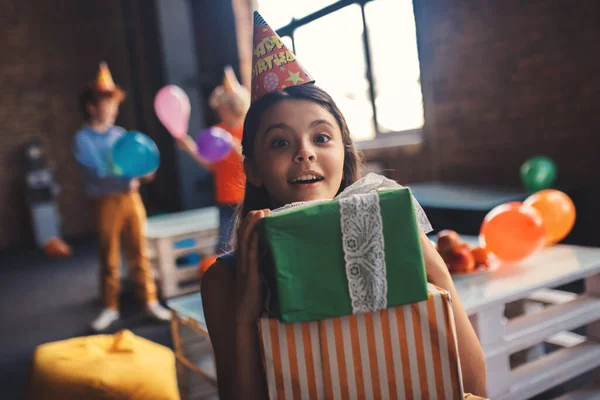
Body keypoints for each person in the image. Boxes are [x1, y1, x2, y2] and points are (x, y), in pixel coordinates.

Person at [202, 12, 487, 399]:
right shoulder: (226, 280)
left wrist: (433, 265)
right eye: (280, 143)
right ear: (252, 167)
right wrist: (248, 312)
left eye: (321, 138)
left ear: (344, 152)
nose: (305, 153)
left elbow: (472, 387)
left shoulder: (388, 239)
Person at [73, 62, 171, 332]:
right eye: (109, 103)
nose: (115, 108)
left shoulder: (119, 134)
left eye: (116, 103)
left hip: (131, 199)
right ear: (92, 107)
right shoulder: (83, 139)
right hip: (106, 202)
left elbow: (135, 161)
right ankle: (110, 306)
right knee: (109, 254)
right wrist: (128, 178)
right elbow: (96, 172)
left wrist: (145, 172)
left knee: (139, 250)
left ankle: (149, 301)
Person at [177, 66, 250, 255]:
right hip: (225, 198)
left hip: (247, 198)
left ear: (235, 106)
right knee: (225, 245)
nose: (220, 113)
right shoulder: (218, 131)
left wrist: (234, 146)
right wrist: (190, 147)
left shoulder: (248, 130)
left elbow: (253, 162)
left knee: (249, 241)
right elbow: (211, 165)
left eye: (222, 108)